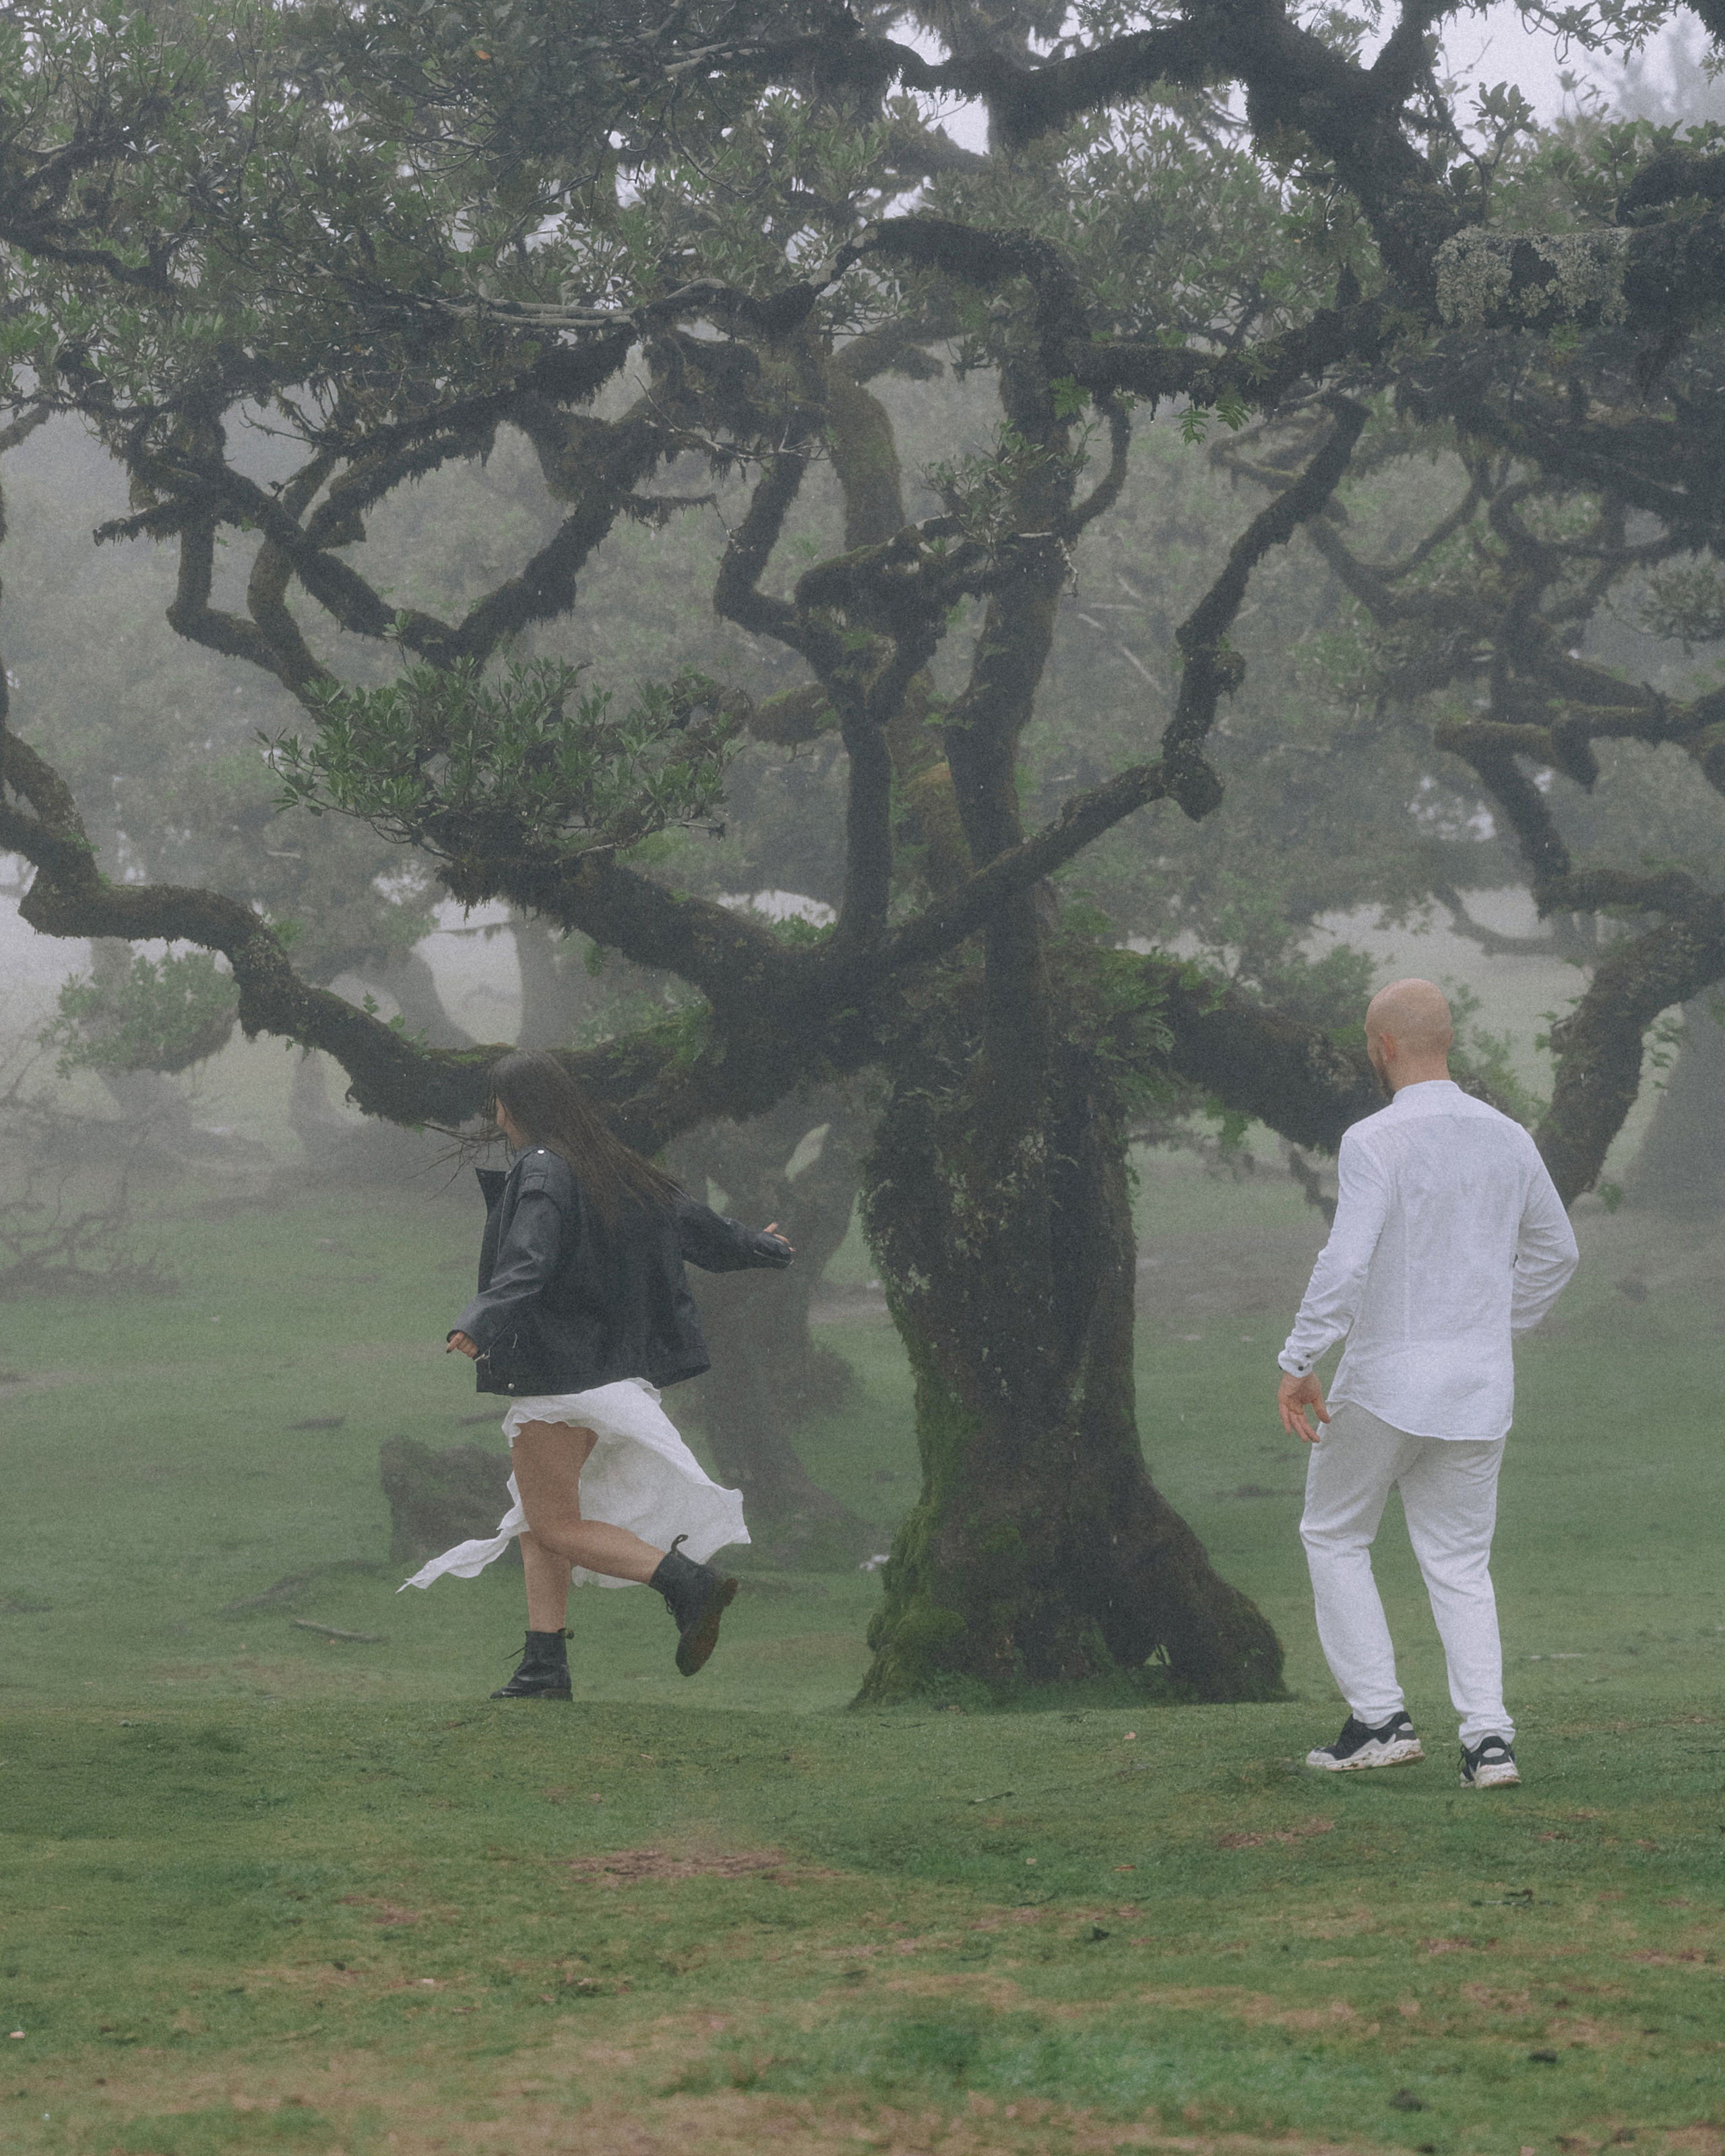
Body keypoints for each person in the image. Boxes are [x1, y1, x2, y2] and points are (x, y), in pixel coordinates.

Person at [401, 1050, 794, 1699]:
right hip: (607, 1371)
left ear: (516, 1108)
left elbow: (530, 1255)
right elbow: (698, 1226)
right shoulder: (610, 1164)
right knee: (537, 1521)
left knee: (552, 1524)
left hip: (559, 1377)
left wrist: (482, 1320)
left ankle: (686, 1583)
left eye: (499, 1103)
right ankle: (544, 1668)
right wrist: (761, 1245)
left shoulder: (544, 1171)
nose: (496, 1116)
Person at [1276, 978, 1577, 1789]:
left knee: (1333, 1532)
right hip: (1479, 1387)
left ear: (1382, 1046)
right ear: (1449, 1038)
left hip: (1385, 1381)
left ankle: (1379, 1718)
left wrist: (1297, 1359)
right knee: (1458, 1561)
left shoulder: (1374, 1139)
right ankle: (1489, 1742)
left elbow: (1344, 1261)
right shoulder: (1508, 1135)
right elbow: (1558, 1252)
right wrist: (1491, 1327)